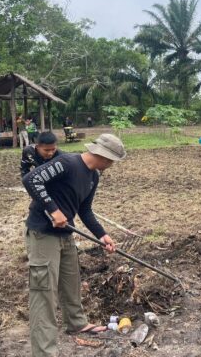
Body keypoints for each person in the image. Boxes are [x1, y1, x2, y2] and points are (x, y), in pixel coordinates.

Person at [22, 133, 126, 357]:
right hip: (43, 233)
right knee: (44, 292)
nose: (111, 165)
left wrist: (102, 235)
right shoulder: (66, 163)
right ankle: (44, 352)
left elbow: (85, 210)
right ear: (102, 155)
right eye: (111, 160)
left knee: (71, 280)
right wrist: (53, 209)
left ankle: (76, 322)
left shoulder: (93, 177)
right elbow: (31, 180)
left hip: (65, 233)